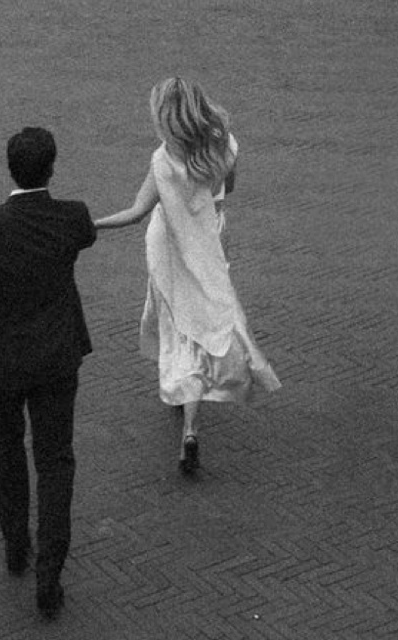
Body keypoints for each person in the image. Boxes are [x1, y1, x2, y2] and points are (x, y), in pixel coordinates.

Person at [0, 126, 97, 619]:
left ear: (9, 168)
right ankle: (50, 572)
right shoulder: (70, 219)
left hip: (0, 365)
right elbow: (88, 232)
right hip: (56, 359)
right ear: (52, 168)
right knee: (55, 460)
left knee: (4, 443)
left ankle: (16, 544)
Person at [95, 77, 280, 473]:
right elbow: (226, 190)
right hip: (210, 238)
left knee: (178, 324)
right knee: (204, 318)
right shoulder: (227, 145)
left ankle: (184, 397)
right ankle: (192, 428)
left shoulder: (164, 160)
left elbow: (136, 212)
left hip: (169, 247)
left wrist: (90, 224)